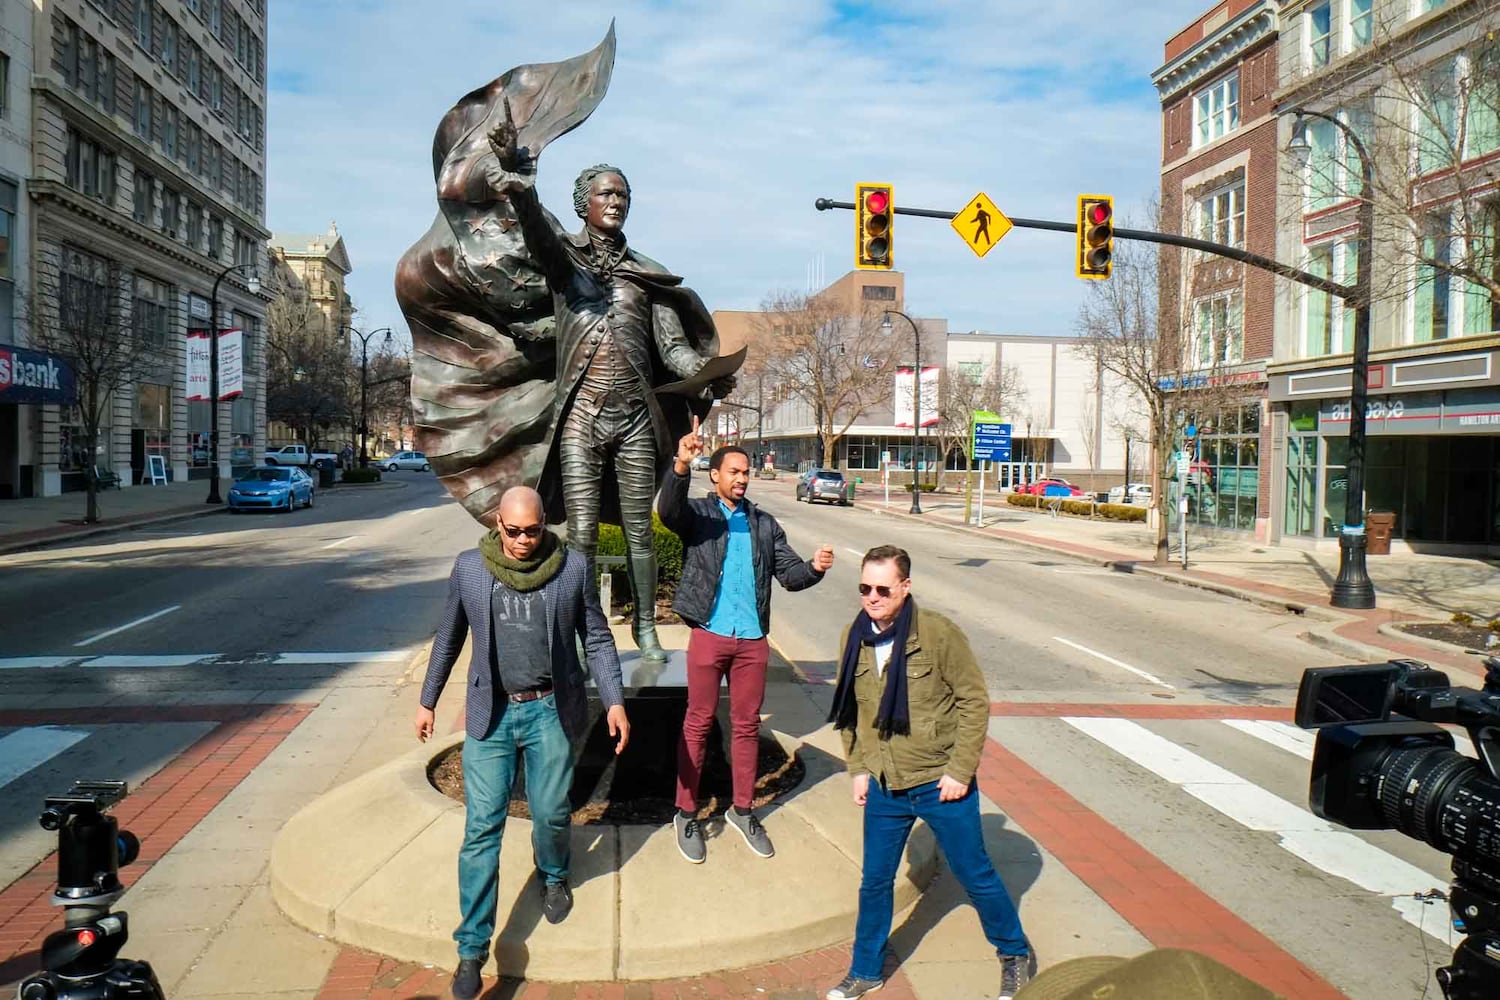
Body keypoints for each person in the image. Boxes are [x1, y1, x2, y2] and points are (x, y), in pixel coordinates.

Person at [484, 98, 735, 664]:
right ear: (584, 203)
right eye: (606, 194)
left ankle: (646, 630)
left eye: (623, 195)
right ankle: (582, 634)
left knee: (641, 534)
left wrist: (710, 375)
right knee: (582, 537)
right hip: (580, 417)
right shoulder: (565, 264)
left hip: (636, 421)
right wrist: (522, 186)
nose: (616, 202)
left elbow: (671, 350)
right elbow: (538, 232)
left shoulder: (645, 277)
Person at [415, 485, 631, 1000]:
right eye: (513, 531)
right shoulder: (471, 568)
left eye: (532, 530)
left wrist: (615, 698)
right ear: (497, 525)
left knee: (552, 811)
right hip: (491, 715)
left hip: (549, 710)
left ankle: (554, 872)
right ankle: (471, 948)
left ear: (543, 525)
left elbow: (596, 637)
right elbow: (449, 637)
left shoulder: (571, 568)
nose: (522, 541)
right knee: (481, 827)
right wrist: (428, 699)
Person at [825, 545, 1032, 1000]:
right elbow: (851, 711)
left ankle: (1014, 953)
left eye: (882, 588)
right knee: (875, 881)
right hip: (884, 784)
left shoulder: (937, 635)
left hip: (940, 781)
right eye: (864, 588)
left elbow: (973, 701)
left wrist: (960, 770)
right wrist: (857, 767)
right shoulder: (853, 637)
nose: (872, 597)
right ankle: (865, 970)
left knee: (974, 873)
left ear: (905, 587)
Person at [658, 419, 834, 864]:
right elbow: (668, 512)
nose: (741, 478)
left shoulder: (764, 524)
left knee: (746, 727)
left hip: (752, 641)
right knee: (697, 724)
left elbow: (790, 575)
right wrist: (681, 463)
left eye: (745, 472)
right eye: (733, 471)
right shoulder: (698, 514)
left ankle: (742, 809)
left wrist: (814, 567)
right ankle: (686, 812)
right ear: (714, 475)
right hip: (709, 635)